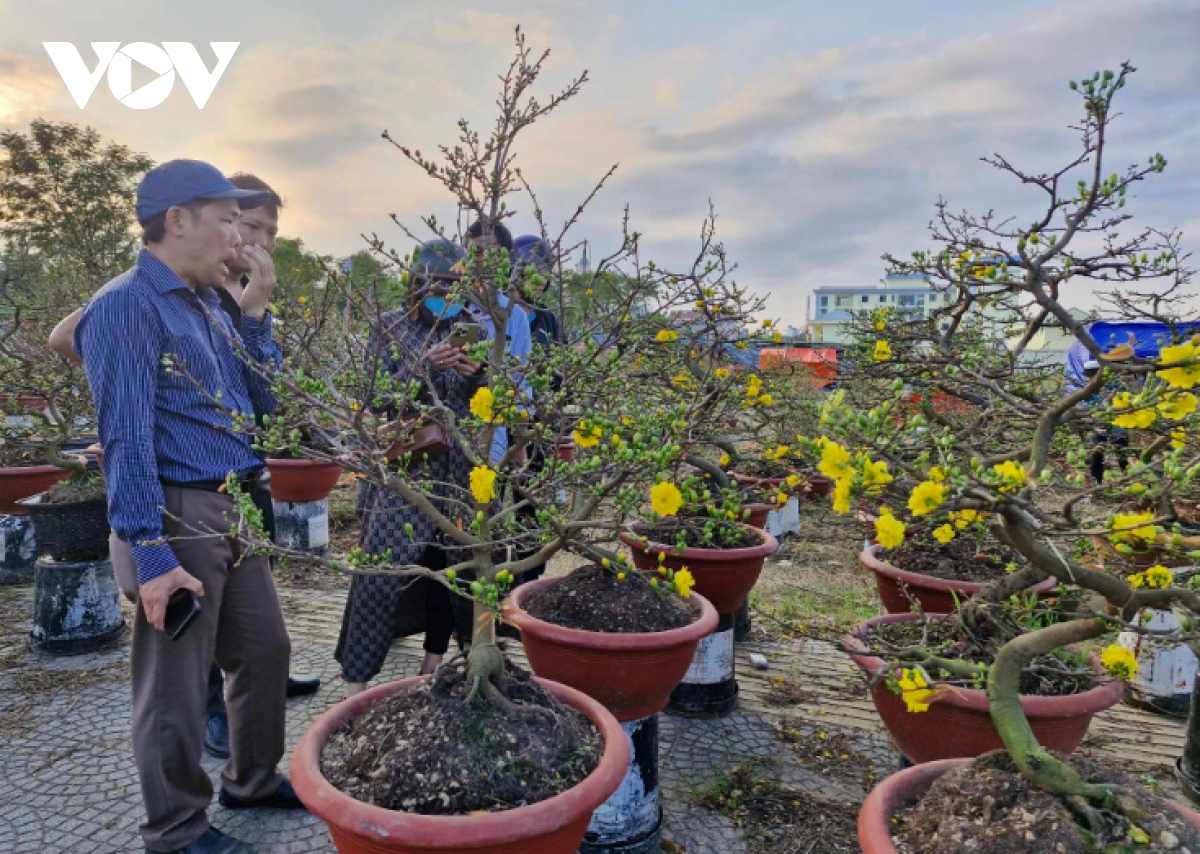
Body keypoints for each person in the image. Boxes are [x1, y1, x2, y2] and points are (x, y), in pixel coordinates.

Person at [48, 173, 321, 763]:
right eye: (229, 221)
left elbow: (265, 402)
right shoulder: (127, 303)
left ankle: (254, 780)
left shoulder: (207, 303)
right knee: (174, 682)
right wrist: (149, 550)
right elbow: (125, 436)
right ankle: (174, 829)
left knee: (266, 649)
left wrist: (254, 311)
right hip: (182, 506)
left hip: (236, 501)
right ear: (177, 221)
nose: (239, 239)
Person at [335, 236, 532, 698]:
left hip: (464, 470)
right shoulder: (390, 327)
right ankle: (355, 682)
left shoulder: (475, 327)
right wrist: (422, 367)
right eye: (436, 284)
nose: (446, 294)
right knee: (379, 576)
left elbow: (500, 399)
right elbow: (375, 396)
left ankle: (441, 665)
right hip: (409, 473)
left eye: (453, 285)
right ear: (416, 283)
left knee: (463, 575)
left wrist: (478, 373)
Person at [1081, 359, 1130, 486]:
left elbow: (1128, 405)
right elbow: (1087, 409)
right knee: (1097, 454)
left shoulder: (1118, 386)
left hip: (1119, 425)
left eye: (1091, 376)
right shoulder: (1089, 390)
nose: (1089, 379)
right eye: (1088, 376)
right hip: (1100, 427)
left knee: (1121, 453)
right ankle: (1097, 484)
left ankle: (1127, 481)